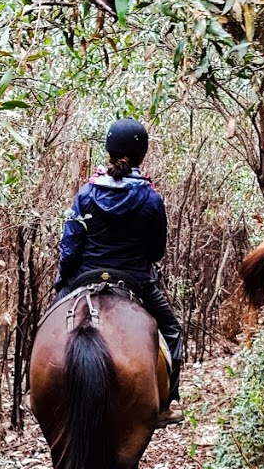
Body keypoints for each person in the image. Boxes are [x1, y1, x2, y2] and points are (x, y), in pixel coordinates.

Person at [56, 118, 184, 424]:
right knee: (172, 331)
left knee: (48, 327)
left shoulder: (86, 193)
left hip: (84, 278)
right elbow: (156, 253)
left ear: (109, 150)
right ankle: (165, 404)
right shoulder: (151, 198)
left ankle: (35, 388)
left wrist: (64, 279)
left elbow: (70, 249)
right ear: (142, 155)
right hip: (135, 282)